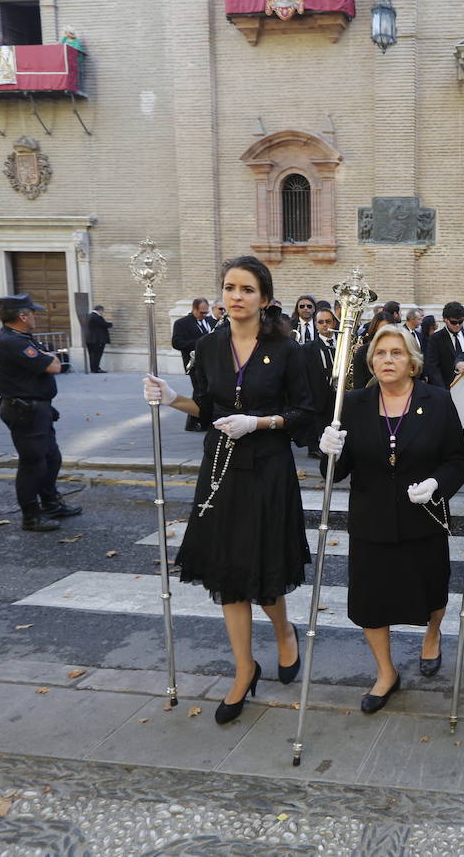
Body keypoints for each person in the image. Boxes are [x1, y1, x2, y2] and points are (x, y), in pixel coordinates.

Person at [142, 256, 313, 724]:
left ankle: (283, 633)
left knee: (264, 573)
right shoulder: (208, 345)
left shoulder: (286, 349)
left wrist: (258, 421)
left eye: (247, 289)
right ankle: (244, 668)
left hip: (268, 467)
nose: (236, 296)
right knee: (227, 575)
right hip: (220, 467)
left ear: (265, 299)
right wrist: (169, 397)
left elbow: (303, 413)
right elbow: (205, 404)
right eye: (229, 287)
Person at [318, 324, 464, 713]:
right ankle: (386, 672)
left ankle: (432, 633)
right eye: (381, 353)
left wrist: (438, 483)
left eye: (396, 353)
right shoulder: (353, 404)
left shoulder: (436, 400)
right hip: (372, 520)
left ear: (413, 362)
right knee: (370, 600)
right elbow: (337, 469)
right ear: (371, 361)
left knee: (433, 590)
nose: (388, 359)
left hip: (423, 517)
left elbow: (459, 459)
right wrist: (329, 450)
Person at [0, 294, 81, 533]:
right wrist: (49, 358)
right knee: (33, 464)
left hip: (36, 407)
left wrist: (48, 359)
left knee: (51, 458)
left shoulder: (23, 338)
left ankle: (51, 503)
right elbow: (54, 365)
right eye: (33, 313)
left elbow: (50, 362)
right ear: (22, 316)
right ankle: (30, 516)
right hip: (25, 410)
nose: (35, 316)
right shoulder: (11, 341)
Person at [172, 298, 215, 431]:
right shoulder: (182, 323)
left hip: (211, 364)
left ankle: (204, 420)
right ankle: (192, 422)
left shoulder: (210, 322)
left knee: (207, 392)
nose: (204, 315)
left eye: (206, 312)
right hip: (194, 364)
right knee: (199, 392)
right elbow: (177, 343)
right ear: (194, 309)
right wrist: (201, 342)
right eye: (202, 312)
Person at [303, 305, 338, 457]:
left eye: (328, 321)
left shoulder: (343, 345)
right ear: (316, 325)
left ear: (334, 324)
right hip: (319, 394)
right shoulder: (308, 349)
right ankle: (316, 448)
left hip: (339, 394)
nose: (325, 325)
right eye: (321, 322)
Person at [424, 301, 464, 387]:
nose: (457, 325)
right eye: (453, 322)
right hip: (446, 388)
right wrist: (443, 392)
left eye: (461, 322)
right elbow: (433, 368)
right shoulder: (435, 339)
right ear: (445, 320)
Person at [85, 305, 113, 372]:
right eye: (102, 311)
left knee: (92, 355)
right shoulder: (96, 317)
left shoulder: (89, 316)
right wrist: (111, 324)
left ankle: (93, 368)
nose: (102, 312)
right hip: (97, 340)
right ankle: (96, 369)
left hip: (90, 339)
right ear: (99, 310)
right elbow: (103, 324)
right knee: (97, 355)